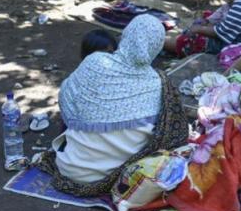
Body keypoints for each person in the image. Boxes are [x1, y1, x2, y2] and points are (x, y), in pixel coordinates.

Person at [38, 14, 188, 196]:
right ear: (156, 46)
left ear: (126, 35)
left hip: (69, 168)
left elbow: (66, 101)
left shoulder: (94, 62)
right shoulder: (160, 83)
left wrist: (94, 116)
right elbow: (172, 136)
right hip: (117, 177)